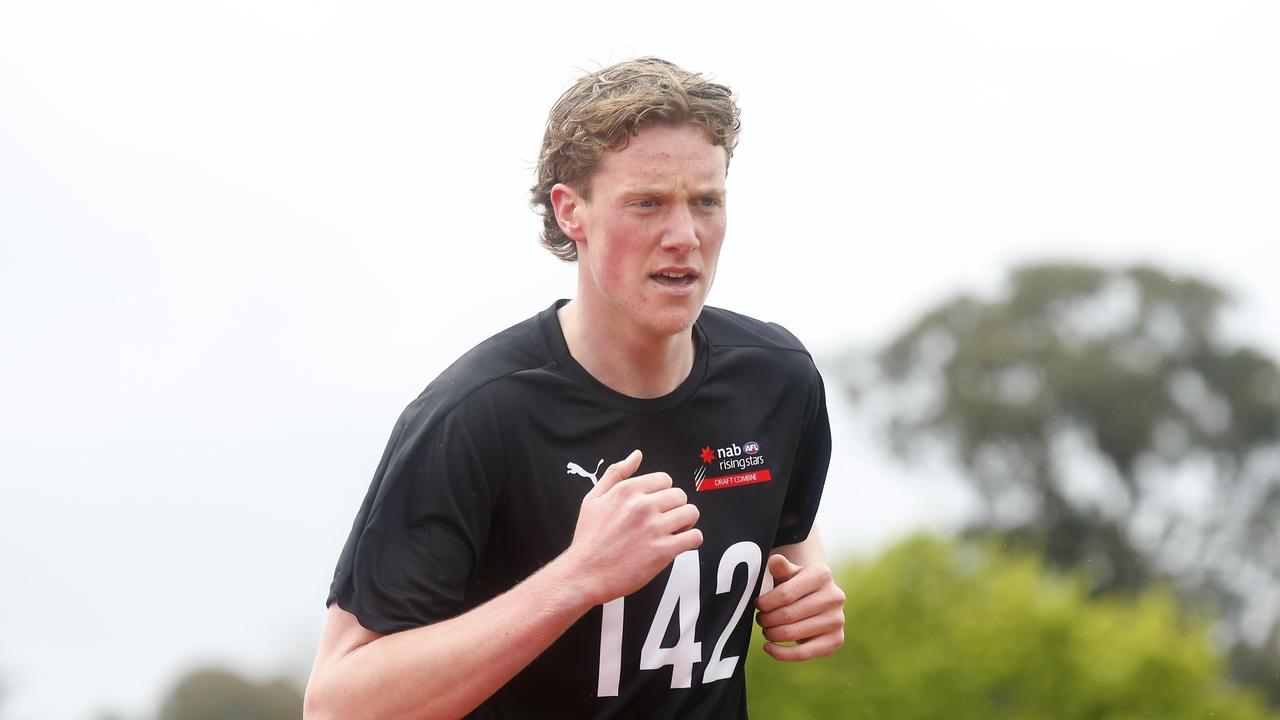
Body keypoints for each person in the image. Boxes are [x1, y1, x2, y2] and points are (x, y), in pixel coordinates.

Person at [304, 57, 845, 719]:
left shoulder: (777, 378)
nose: (685, 237)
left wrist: (804, 586)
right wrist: (579, 577)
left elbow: (786, 534)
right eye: (647, 203)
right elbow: (337, 705)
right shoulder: (475, 416)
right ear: (571, 213)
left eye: (706, 201)